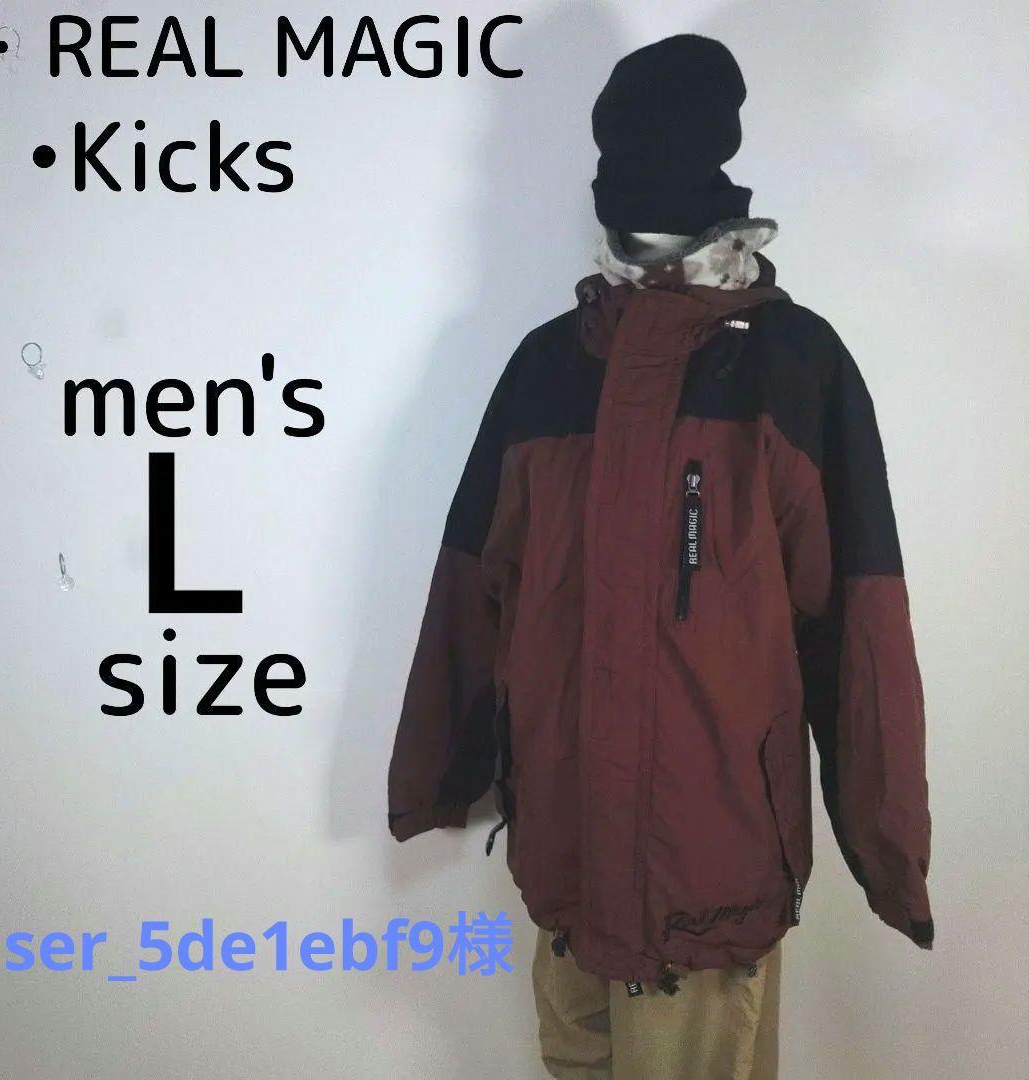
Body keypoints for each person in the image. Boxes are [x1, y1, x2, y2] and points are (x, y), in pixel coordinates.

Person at [387, 34, 932, 1079]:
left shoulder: (792, 367)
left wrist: (887, 848)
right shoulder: (548, 369)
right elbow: (469, 587)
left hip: (706, 893)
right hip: (566, 876)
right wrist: (435, 772)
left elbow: (862, 630)